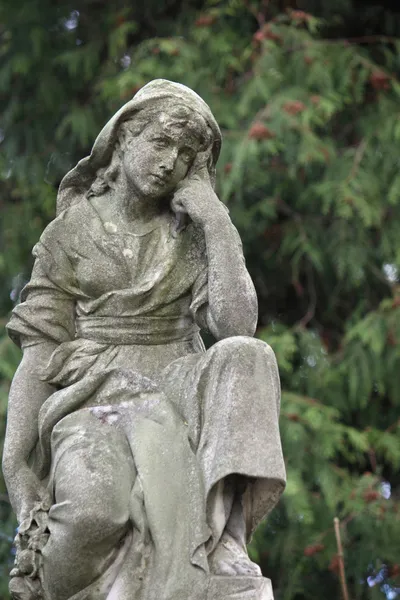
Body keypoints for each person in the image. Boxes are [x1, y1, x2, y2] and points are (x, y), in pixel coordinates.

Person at [3, 79, 286, 600]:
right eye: (160, 143)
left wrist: (216, 220)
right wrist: (16, 462)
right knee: (91, 512)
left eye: (184, 154)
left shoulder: (195, 229)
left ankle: (222, 542)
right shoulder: (70, 233)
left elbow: (237, 325)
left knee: (248, 355)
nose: (169, 162)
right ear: (124, 139)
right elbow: (39, 354)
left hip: (180, 378)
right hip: (94, 390)